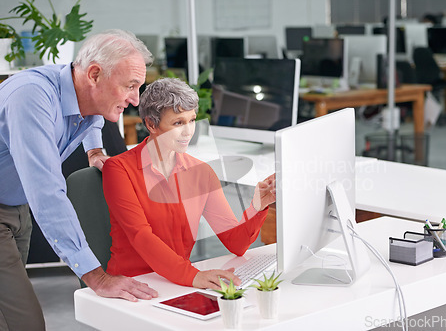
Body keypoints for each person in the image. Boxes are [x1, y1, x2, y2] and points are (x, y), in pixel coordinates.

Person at [0, 29, 158, 331]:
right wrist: (95, 277)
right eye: (130, 86)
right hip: (9, 208)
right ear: (95, 74)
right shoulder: (30, 97)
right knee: (24, 323)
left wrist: (95, 150)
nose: (134, 99)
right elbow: (47, 191)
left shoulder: (81, 91)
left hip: (18, 209)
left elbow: (95, 116)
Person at [102, 78, 276, 290]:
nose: (188, 132)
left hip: (177, 282)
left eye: (192, 120)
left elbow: (236, 244)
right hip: (132, 284)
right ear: (151, 124)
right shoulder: (119, 169)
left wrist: (258, 206)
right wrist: (194, 276)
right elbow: (141, 236)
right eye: (178, 123)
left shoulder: (201, 172)